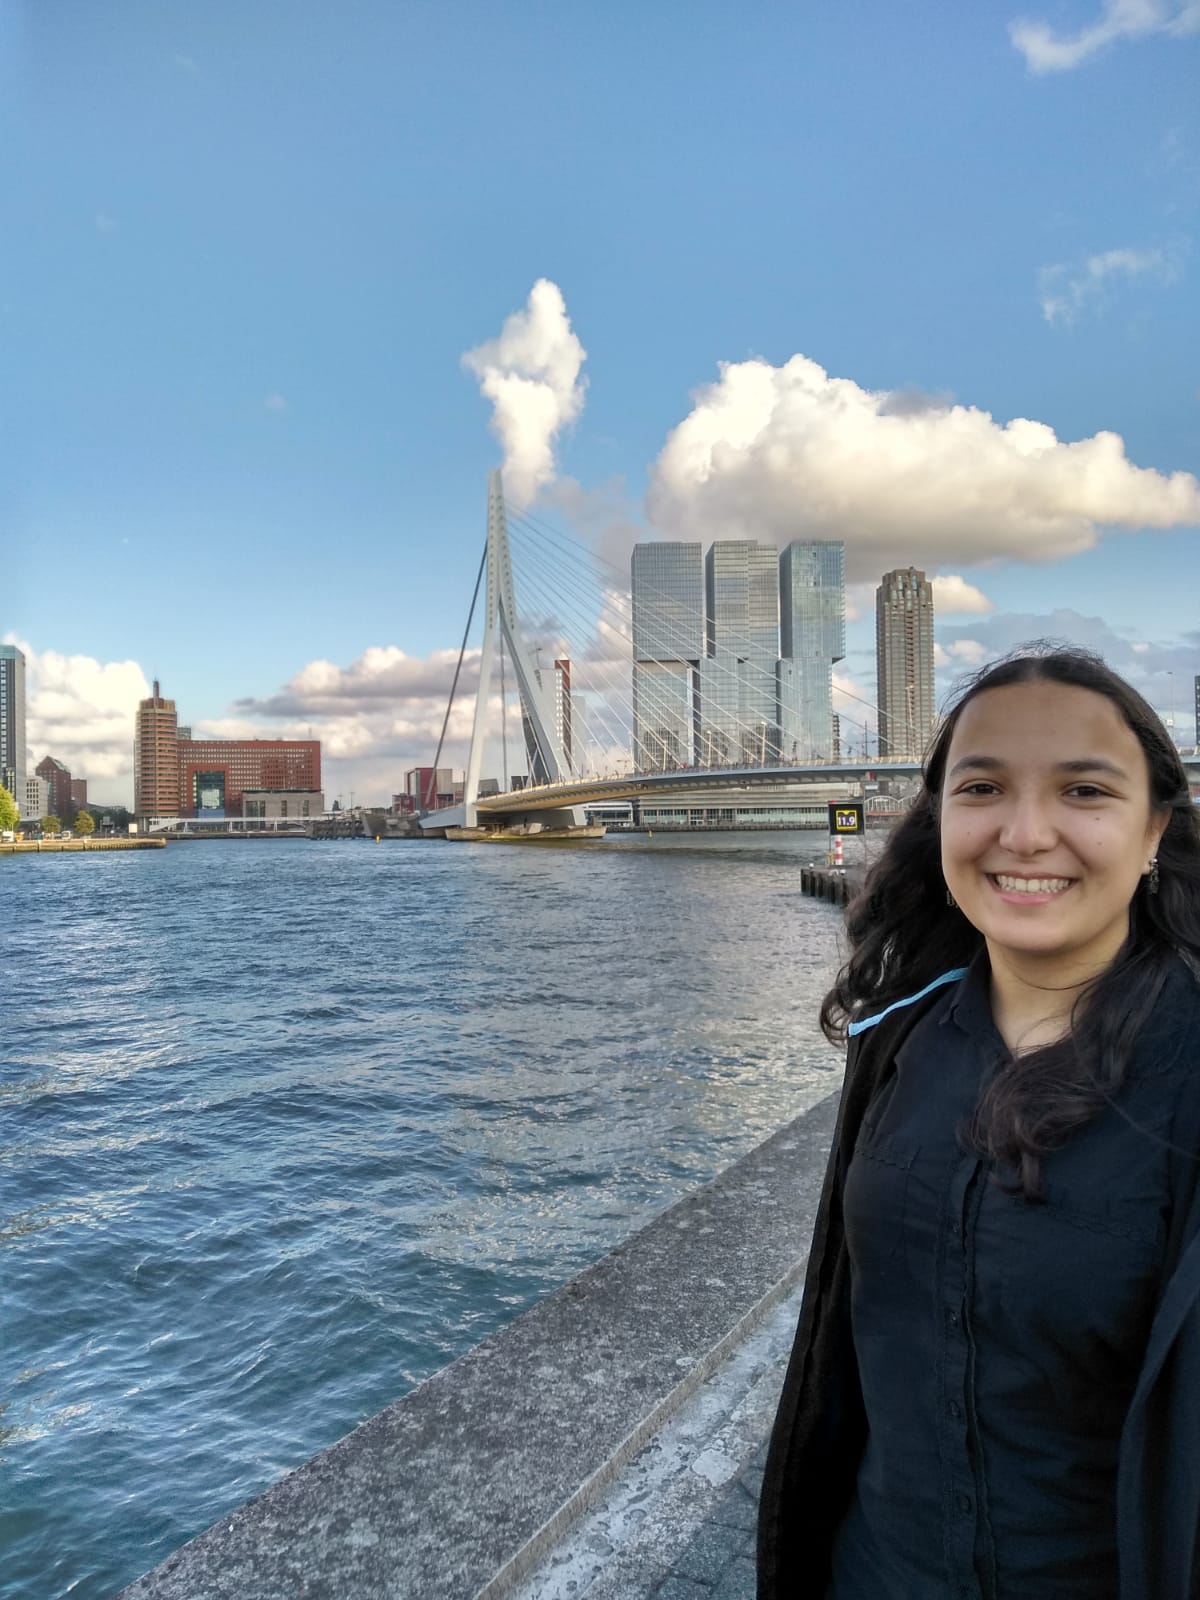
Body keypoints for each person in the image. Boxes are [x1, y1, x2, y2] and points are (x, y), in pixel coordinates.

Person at [757, 645, 1200, 1600]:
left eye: (1085, 791)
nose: (1025, 834)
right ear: (943, 818)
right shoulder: (896, 1040)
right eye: (983, 788)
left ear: (1155, 828)